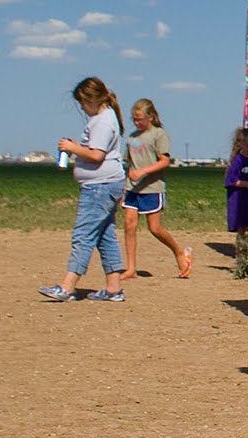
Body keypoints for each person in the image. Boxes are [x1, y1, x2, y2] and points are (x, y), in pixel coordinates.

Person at [40, 76, 129, 303]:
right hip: (107, 183)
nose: (81, 108)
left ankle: (67, 286)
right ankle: (113, 288)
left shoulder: (102, 121)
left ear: (92, 99)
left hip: (99, 186)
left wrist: (73, 148)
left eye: (82, 103)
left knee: (84, 235)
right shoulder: (106, 117)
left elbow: (96, 155)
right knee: (105, 236)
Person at [121, 98, 191, 279]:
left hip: (152, 188)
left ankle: (178, 252)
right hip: (132, 189)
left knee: (155, 228)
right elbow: (128, 163)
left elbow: (164, 161)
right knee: (129, 225)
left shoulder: (159, 135)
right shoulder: (132, 138)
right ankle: (131, 268)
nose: (137, 123)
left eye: (140, 119)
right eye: (134, 120)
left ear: (150, 117)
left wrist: (143, 171)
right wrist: (123, 188)